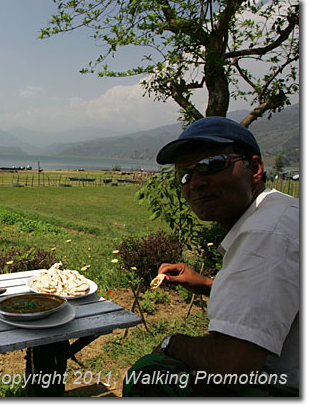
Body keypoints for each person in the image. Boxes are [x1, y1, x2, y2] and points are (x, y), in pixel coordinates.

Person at [123, 116, 299, 397]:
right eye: (186, 174)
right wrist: (206, 284)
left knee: (148, 375)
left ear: (254, 168)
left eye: (211, 165)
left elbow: (232, 363)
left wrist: (171, 342)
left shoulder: (266, 232)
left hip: (284, 389)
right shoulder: (279, 214)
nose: (196, 183)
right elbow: (274, 294)